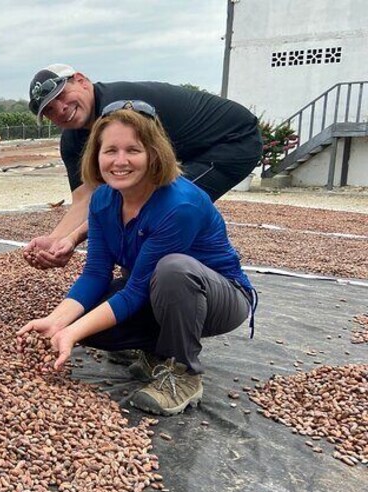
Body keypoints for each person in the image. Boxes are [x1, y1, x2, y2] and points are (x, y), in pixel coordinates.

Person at [18, 101, 256, 416]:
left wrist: (72, 333)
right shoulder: (103, 200)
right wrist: (57, 321)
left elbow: (137, 292)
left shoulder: (178, 204)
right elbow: (95, 275)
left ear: (154, 153)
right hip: (154, 292)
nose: (120, 161)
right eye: (110, 151)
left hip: (217, 297)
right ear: (96, 155)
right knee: (88, 317)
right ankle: (154, 353)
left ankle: (183, 374)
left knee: (173, 271)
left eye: (133, 150)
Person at [23, 64, 262, 271]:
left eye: (62, 96)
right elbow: (85, 199)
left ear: (82, 81)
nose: (61, 109)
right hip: (187, 151)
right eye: (50, 110)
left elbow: (112, 208)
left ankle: (186, 280)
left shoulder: (125, 109)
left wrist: (73, 239)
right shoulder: (72, 140)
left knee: (162, 207)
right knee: (141, 208)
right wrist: (54, 240)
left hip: (231, 142)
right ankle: (148, 282)